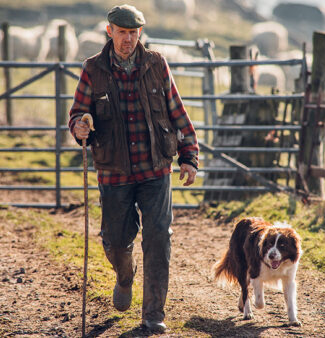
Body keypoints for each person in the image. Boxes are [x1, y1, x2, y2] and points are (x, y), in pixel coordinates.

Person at [68, 4, 199, 333]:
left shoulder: (157, 64)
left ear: (140, 33)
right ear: (109, 31)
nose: (128, 39)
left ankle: (153, 313)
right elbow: (77, 114)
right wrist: (79, 128)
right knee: (114, 241)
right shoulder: (93, 69)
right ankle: (125, 277)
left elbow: (177, 113)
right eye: (122, 32)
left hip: (155, 168)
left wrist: (188, 156)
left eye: (133, 33)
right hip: (114, 171)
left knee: (158, 238)